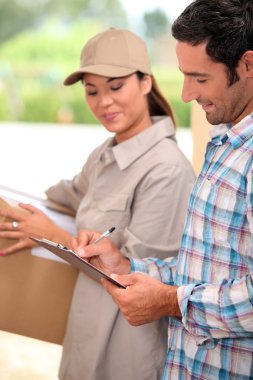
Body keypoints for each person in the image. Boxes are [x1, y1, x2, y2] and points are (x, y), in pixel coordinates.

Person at [0, 28, 195, 379]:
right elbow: (69, 195)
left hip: (127, 352)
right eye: (92, 91)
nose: (103, 102)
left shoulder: (167, 170)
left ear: (146, 83)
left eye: (116, 86)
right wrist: (16, 210)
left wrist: (50, 236)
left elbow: (138, 276)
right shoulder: (105, 155)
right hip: (83, 342)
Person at [72, 1, 253, 379]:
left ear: (248, 66)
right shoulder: (225, 146)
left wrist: (171, 302)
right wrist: (127, 266)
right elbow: (200, 269)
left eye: (200, 79)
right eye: (184, 76)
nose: (186, 94)